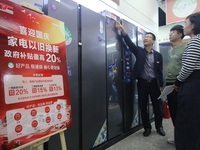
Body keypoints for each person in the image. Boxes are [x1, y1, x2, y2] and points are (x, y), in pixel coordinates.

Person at [116, 21, 165, 136]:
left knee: (157, 107)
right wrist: (123, 31)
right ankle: (146, 128)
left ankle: (159, 127)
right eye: (145, 37)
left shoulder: (158, 55)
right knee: (143, 106)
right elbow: (129, 43)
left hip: (154, 84)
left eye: (148, 37)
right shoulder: (139, 51)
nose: (145, 38)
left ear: (153, 41)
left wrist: (161, 85)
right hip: (142, 83)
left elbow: (160, 71)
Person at [173, 12, 200, 150]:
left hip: (192, 85)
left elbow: (189, 66)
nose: (184, 27)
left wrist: (178, 82)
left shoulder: (195, 41)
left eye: (186, 23)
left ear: (193, 25)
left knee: (186, 120)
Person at [165, 25, 187, 144]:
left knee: (182, 111)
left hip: (180, 83)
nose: (170, 34)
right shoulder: (171, 50)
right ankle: (177, 133)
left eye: (172, 32)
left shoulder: (186, 47)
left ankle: (183, 135)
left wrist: (180, 81)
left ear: (180, 34)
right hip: (169, 83)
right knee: (173, 110)